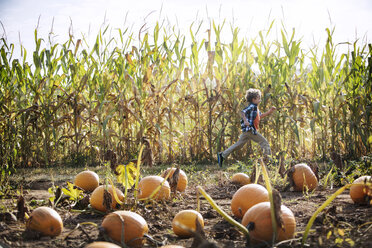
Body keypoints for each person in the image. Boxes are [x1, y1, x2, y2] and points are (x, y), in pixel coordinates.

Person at [217, 88, 276, 167]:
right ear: (253, 99)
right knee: (264, 142)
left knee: (239, 145)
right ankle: (268, 162)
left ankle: (222, 155)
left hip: (247, 131)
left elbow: (260, 116)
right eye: (259, 98)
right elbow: (243, 112)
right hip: (250, 130)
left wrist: (270, 111)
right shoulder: (252, 106)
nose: (260, 100)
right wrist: (245, 121)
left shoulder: (255, 108)